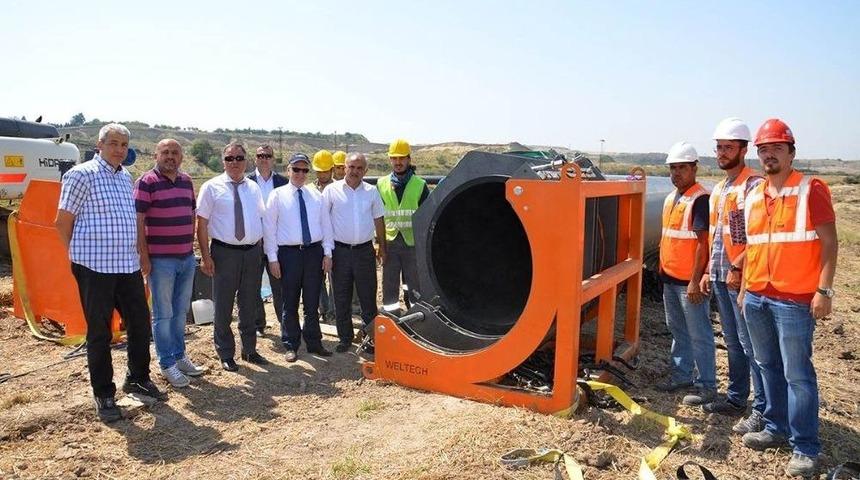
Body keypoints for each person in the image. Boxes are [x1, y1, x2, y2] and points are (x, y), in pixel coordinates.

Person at [739, 119, 837, 478]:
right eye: (764, 150)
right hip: (758, 296)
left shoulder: (811, 189)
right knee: (767, 366)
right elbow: (752, 247)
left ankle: (805, 447)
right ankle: (775, 427)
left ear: (791, 153)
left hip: (795, 300)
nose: (769, 155)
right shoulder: (753, 194)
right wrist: (746, 288)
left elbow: (830, 243)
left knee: (798, 375)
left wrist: (824, 291)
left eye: (776, 148)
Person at [55, 123, 165, 423]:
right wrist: (76, 256)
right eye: (114, 143)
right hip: (95, 267)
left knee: (141, 324)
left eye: (123, 144)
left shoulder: (124, 176)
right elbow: (63, 221)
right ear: (99, 144)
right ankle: (104, 394)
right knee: (100, 333)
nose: (119, 149)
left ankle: (138, 378)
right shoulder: (81, 174)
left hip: (126, 266)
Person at [697, 118, 766, 432]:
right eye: (719, 148)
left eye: (728, 148)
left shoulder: (754, 185)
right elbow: (716, 235)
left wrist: (741, 270)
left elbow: (754, 236)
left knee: (752, 344)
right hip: (721, 276)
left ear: (744, 149)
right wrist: (708, 271)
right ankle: (737, 398)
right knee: (733, 341)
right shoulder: (721, 189)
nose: (722, 153)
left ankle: (762, 410)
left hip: (743, 279)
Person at [134, 139, 205, 388]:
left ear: (182, 156)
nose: (170, 156)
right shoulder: (146, 182)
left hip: (186, 258)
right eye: (165, 152)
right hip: (160, 260)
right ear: (156, 154)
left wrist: (192, 247)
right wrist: (143, 255)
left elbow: (192, 214)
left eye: (175, 152)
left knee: (180, 313)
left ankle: (179, 356)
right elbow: (138, 221)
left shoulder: (186, 181)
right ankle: (166, 364)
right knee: (163, 314)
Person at [197, 141, 268, 372]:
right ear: (223, 161)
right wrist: (206, 257)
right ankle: (226, 353)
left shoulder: (253, 188)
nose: (234, 162)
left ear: (246, 160)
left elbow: (260, 218)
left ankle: (249, 350)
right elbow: (202, 224)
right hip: (224, 253)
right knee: (224, 305)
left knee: (249, 303)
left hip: (251, 253)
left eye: (239, 158)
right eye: (229, 158)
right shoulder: (211, 187)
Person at [655, 141, 717, 406]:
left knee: (699, 333)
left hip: (688, 283)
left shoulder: (700, 199)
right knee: (677, 330)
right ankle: (681, 375)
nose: (677, 173)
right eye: (673, 168)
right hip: (671, 279)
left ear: (694, 168)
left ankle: (707, 386)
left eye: (682, 167)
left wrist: (695, 280)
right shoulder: (672, 198)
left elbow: (703, 243)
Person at [263, 153, 334, 362]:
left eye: (304, 170)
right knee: (290, 302)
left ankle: (314, 342)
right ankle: (291, 344)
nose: (300, 174)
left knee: (312, 302)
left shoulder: (316, 196)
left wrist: (327, 253)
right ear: (288, 170)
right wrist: (272, 258)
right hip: (289, 255)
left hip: (313, 253)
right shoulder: (277, 195)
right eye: (296, 169)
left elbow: (326, 226)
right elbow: (269, 229)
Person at [322, 152, 386, 352]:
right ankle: (345, 338)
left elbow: (379, 220)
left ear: (365, 170)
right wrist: (327, 252)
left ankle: (370, 339)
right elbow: (324, 222)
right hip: (340, 252)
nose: (355, 171)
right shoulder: (331, 191)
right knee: (341, 296)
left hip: (364, 252)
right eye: (351, 167)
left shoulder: (372, 192)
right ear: (344, 168)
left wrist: (382, 247)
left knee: (368, 297)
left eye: (359, 168)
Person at [377, 139, 429, 314]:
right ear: (390, 160)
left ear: (408, 159)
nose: (398, 162)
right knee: (389, 285)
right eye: (394, 158)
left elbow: (426, 217)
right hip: (390, 243)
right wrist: (380, 245)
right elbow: (377, 217)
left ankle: (417, 321)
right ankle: (392, 319)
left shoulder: (420, 185)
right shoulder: (381, 184)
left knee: (415, 285)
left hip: (412, 244)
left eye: (402, 158)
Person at [248, 144, 288, 338]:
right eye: (260, 155)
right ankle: (258, 324)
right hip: (254, 242)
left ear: (273, 159)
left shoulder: (283, 182)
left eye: (267, 155)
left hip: (277, 242)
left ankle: (285, 323)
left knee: (279, 285)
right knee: (253, 284)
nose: (264, 158)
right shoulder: (246, 182)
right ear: (255, 158)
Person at [310, 149, 336, 321]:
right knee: (317, 278)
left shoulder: (338, 189)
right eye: (319, 171)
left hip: (335, 240)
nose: (322, 174)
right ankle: (323, 310)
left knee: (335, 278)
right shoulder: (309, 190)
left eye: (325, 171)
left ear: (332, 170)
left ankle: (333, 311)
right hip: (316, 240)